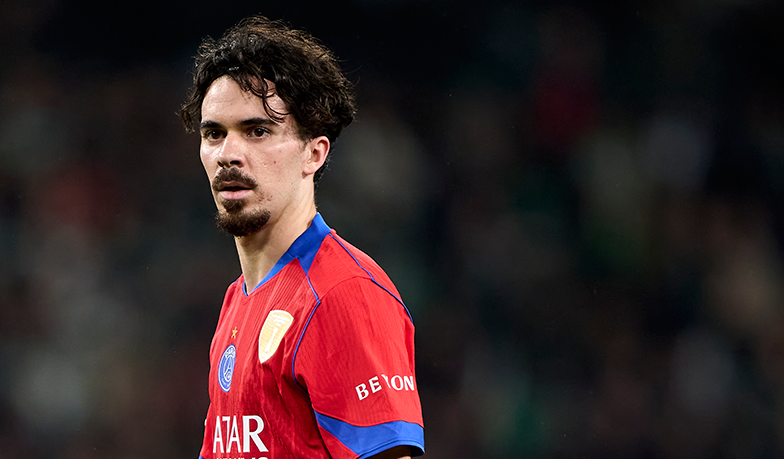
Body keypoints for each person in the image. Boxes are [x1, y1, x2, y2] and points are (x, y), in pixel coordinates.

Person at [179, 15, 425, 459]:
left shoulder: (343, 294)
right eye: (214, 133)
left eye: (257, 131)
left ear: (314, 153)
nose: (228, 153)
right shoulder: (239, 300)